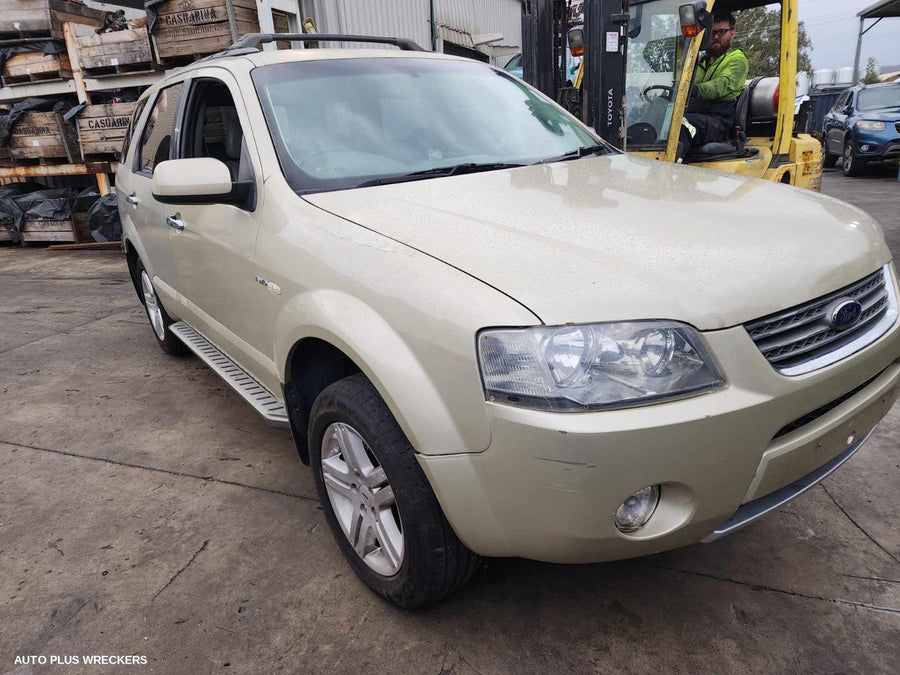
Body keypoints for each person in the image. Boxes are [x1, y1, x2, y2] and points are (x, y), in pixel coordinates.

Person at [676, 11, 749, 161]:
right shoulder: (700, 62)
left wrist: (694, 89)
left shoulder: (737, 59)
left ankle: (667, 173)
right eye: (712, 32)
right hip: (699, 116)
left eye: (722, 32)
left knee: (680, 126)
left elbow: (721, 85)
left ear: (732, 33)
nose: (716, 37)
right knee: (662, 124)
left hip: (718, 121)